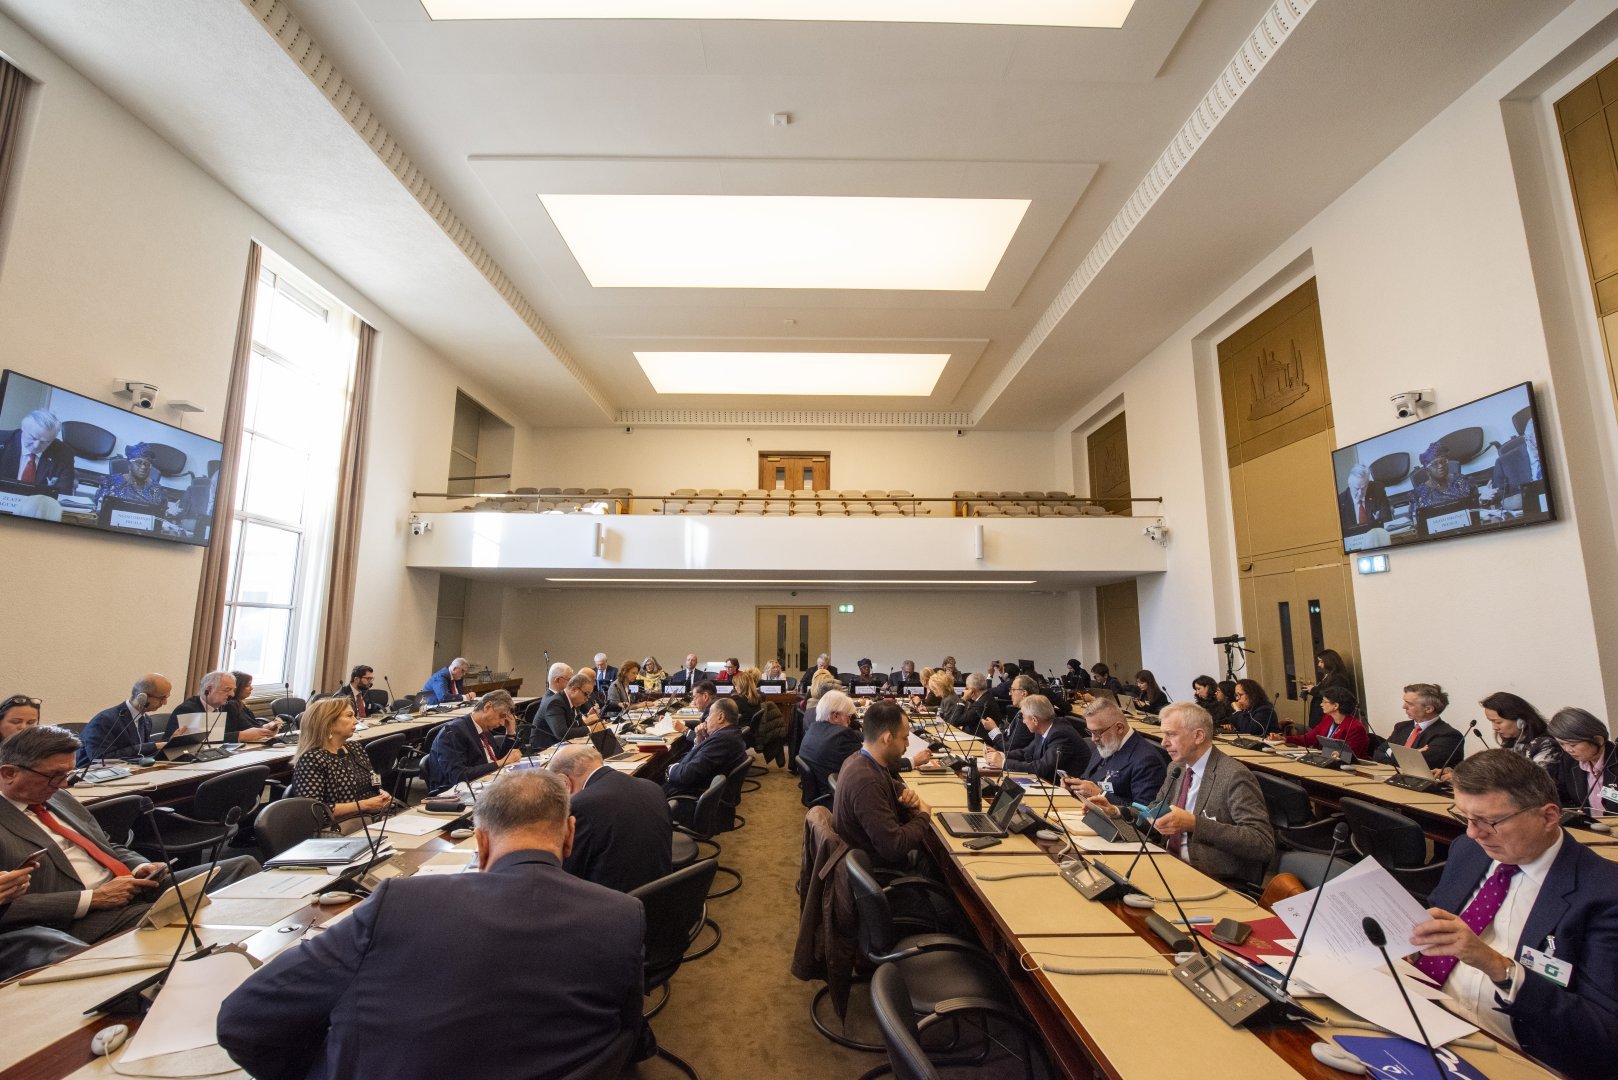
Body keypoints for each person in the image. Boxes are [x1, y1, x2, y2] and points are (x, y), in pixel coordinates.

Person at [217, 770, 649, 1080]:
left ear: (481, 842)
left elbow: (243, 1021)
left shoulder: (400, 901)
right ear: (570, 834)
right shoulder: (622, 914)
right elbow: (629, 1032)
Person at [1410, 750, 1618, 1078]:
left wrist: (1496, 966)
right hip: (1427, 1015)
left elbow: (1603, 1034)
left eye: (1490, 822)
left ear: (1548, 816)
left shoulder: (1605, 893)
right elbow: (1434, 923)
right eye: (1465, 817)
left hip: (1520, 1054)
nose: (1473, 833)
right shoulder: (1468, 851)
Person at [0, 727, 258, 944]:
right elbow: (8, 908)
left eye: (67, 774)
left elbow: (105, 844)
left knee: (241, 867)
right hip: (78, 917)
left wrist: (139, 865)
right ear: (9, 773)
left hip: (130, 887)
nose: (64, 784)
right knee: (185, 918)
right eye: (54, 776)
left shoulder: (59, 797)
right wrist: (94, 898)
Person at [1145, 702, 1274, 889]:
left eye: (1171, 734)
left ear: (1198, 736)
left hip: (1215, 877)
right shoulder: (1176, 767)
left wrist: (1195, 824)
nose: (1163, 742)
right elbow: (1156, 806)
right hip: (1170, 864)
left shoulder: (1234, 775)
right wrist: (1118, 812)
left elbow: (1262, 843)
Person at [547, 744, 672, 894]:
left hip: (614, 901)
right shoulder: (652, 787)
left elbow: (567, 874)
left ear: (564, 783)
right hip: (662, 890)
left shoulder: (580, 807)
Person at [833, 702, 931, 871]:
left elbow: (890, 784)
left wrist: (905, 793)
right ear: (887, 738)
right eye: (904, 738)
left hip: (870, 857)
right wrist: (924, 816)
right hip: (880, 870)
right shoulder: (866, 782)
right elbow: (894, 847)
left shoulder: (859, 759)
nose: (907, 745)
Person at [291, 698, 394, 824]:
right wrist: (365, 805)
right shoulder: (312, 759)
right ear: (328, 722)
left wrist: (381, 793)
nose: (356, 721)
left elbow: (373, 781)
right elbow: (313, 810)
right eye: (349, 716)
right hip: (339, 827)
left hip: (372, 818)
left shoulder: (354, 748)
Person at [1066, 698, 1170, 811]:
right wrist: (1075, 786)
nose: (1093, 738)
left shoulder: (1147, 760)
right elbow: (1089, 779)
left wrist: (1100, 794)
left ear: (1119, 728)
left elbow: (1144, 812)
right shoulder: (1107, 743)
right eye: (1091, 732)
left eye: (1097, 732)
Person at [1435, 692, 1558, 783]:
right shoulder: (1512, 743)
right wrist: (1458, 773)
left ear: (1520, 721)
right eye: (1491, 722)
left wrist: (1466, 779)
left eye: (1498, 722)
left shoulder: (1546, 744)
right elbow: (1496, 773)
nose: (1494, 728)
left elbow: (1532, 783)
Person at [427, 690, 522, 794]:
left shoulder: (484, 728)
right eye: (501, 716)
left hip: (487, 785)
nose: (502, 723)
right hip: (457, 793)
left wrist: (510, 732)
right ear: (487, 707)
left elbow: (497, 759)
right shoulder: (453, 732)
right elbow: (458, 776)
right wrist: (502, 762)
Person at [663, 697, 749, 805]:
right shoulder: (729, 734)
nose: (706, 720)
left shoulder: (722, 741)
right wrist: (700, 741)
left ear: (721, 717)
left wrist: (669, 769)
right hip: (700, 790)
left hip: (689, 799)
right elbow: (698, 760)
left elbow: (686, 775)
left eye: (709, 715)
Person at [984, 695, 1088, 782]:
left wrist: (1003, 763)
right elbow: (1026, 753)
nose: (1023, 721)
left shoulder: (1061, 734)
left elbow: (1041, 768)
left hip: (1066, 789)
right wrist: (1000, 755)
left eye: (1024, 717)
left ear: (1034, 720)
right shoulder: (1043, 727)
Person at [77, 674, 171, 766]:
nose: (165, 703)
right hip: (92, 774)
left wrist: (171, 742)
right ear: (142, 697)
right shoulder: (104, 720)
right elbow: (100, 758)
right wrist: (154, 746)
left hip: (129, 771)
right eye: (162, 698)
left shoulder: (146, 720)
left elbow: (142, 755)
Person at [166, 670, 278, 744]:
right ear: (209, 690)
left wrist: (265, 730)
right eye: (227, 690)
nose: (232, 694)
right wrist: (240, 736)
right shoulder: (187, 710)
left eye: (233, 690)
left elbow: (246, 729)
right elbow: (197, 742)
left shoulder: (228, 707)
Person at [797, 690, 862, 807]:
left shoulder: (813, 728)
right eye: (848, 717)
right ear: (835, 716)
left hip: (819, 792)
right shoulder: (842, 737)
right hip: (835, 799)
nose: (849, 722)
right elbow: (868, 762)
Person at [1378, 682, 1465, 769]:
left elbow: (1417, 765)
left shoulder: (1449, 736)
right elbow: (1378, 754)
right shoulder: (1401, 727)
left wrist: (1389, 752)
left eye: (1410, 704)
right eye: (1405, 702)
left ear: (1428, 709)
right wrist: (1412, 754)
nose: (1404, 706)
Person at [1548, 708, 1616, 819]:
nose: (1568, 750)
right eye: (1562, 744)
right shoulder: (1569, 761)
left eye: (1573, 745)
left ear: (1598, 740)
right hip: (1589, 827)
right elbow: (1562, 798)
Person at [1273, 686, 1369, 757]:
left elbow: (1350, 756)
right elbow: (1309, 738)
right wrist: (1284, 739)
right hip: (1325, 761)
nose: (1321, 704)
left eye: (1324, 701)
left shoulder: (1355, 727)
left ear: (1335, 706)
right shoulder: (1328, 719)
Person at [528, 665, 607, 752]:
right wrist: (591, 729)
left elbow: (580, 726)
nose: (587, 699)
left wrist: (596, 726)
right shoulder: (555, 702)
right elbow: (562, 733)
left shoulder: (572, 701)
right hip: (543, 750)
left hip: (560, 747)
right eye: (586, 694)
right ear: (574, 689)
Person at [0, 409, 75, 499]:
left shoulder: (64, 453)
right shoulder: (2, 441)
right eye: (33, 438)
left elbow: (63, 494)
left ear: (53, 439)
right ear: (23, 428)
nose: (36, 446)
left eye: (45, 442)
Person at [1411, 440, 1477, 513]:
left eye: (1444, 461)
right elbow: (1417, 516)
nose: (1441, 466)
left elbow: (1475, 506)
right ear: (1427, 470)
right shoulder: (1420, 494)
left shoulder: (1462, 481)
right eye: (1435, 464)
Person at [1298, 648, 1352, 728]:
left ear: (1329, 662)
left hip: (1327, 714)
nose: (1319, 664)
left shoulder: (1339, 678)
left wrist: (1313, 690)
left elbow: (1332, 694)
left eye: (1321, 661)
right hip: (1321, 713)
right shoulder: (1328, 675)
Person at [1337, 462, 1393, 536]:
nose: (1360, 493)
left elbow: (1387, 519)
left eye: (1363, 488)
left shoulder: (1377, 490)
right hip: (1354, 538)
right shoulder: (1341, 501)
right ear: (1349, 484)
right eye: (1357, 488)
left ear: (1368, 484)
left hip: (1376, 535)